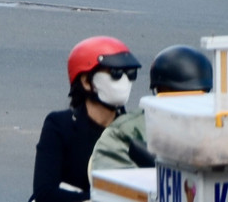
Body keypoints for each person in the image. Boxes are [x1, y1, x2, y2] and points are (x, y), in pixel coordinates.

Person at [31, 37, 140, 202]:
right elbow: (45, 193)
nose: (125, 81)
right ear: (86, 81)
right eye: (116, 73)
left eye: (130, 74)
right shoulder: (60, 125)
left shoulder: (133, 131)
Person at [89, 44, 213, 174]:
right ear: (160, 91)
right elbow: (111, 177)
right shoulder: (127, 132)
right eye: (177, 95)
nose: (187, 104)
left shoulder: (217, 128)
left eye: (197, 95)